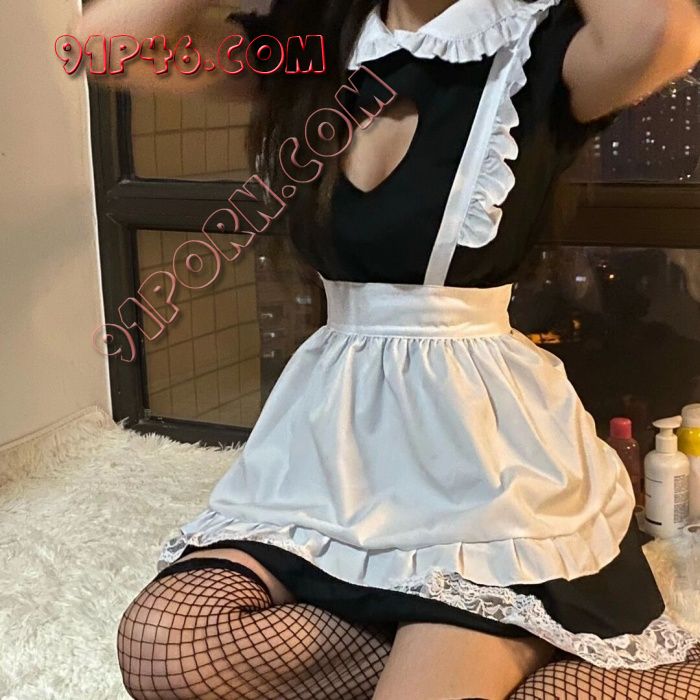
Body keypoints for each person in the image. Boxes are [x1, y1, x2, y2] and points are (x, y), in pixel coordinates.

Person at [76, 0, 700, 697]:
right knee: (167, 646)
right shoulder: (312, 49)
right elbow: (109, 46)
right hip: (333, 451)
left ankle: (529, 640)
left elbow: (662, 32)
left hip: (479, 472)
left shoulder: (533, 45)